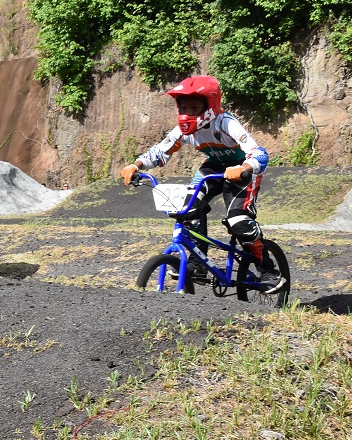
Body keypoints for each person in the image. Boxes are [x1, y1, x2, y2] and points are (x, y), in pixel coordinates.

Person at [118, 74, 280, 292]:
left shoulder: (226, 123)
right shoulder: (183, 130)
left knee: (239, 222)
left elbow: (259, 153)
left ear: (209, 106)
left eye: (194, 108)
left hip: (242, 171)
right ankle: (197, 263)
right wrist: (135, 166)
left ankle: (268, 269)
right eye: (184, 107)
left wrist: (243, 168)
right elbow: (159, 152)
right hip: (213, 168)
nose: (188, 114)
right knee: (187, 209)